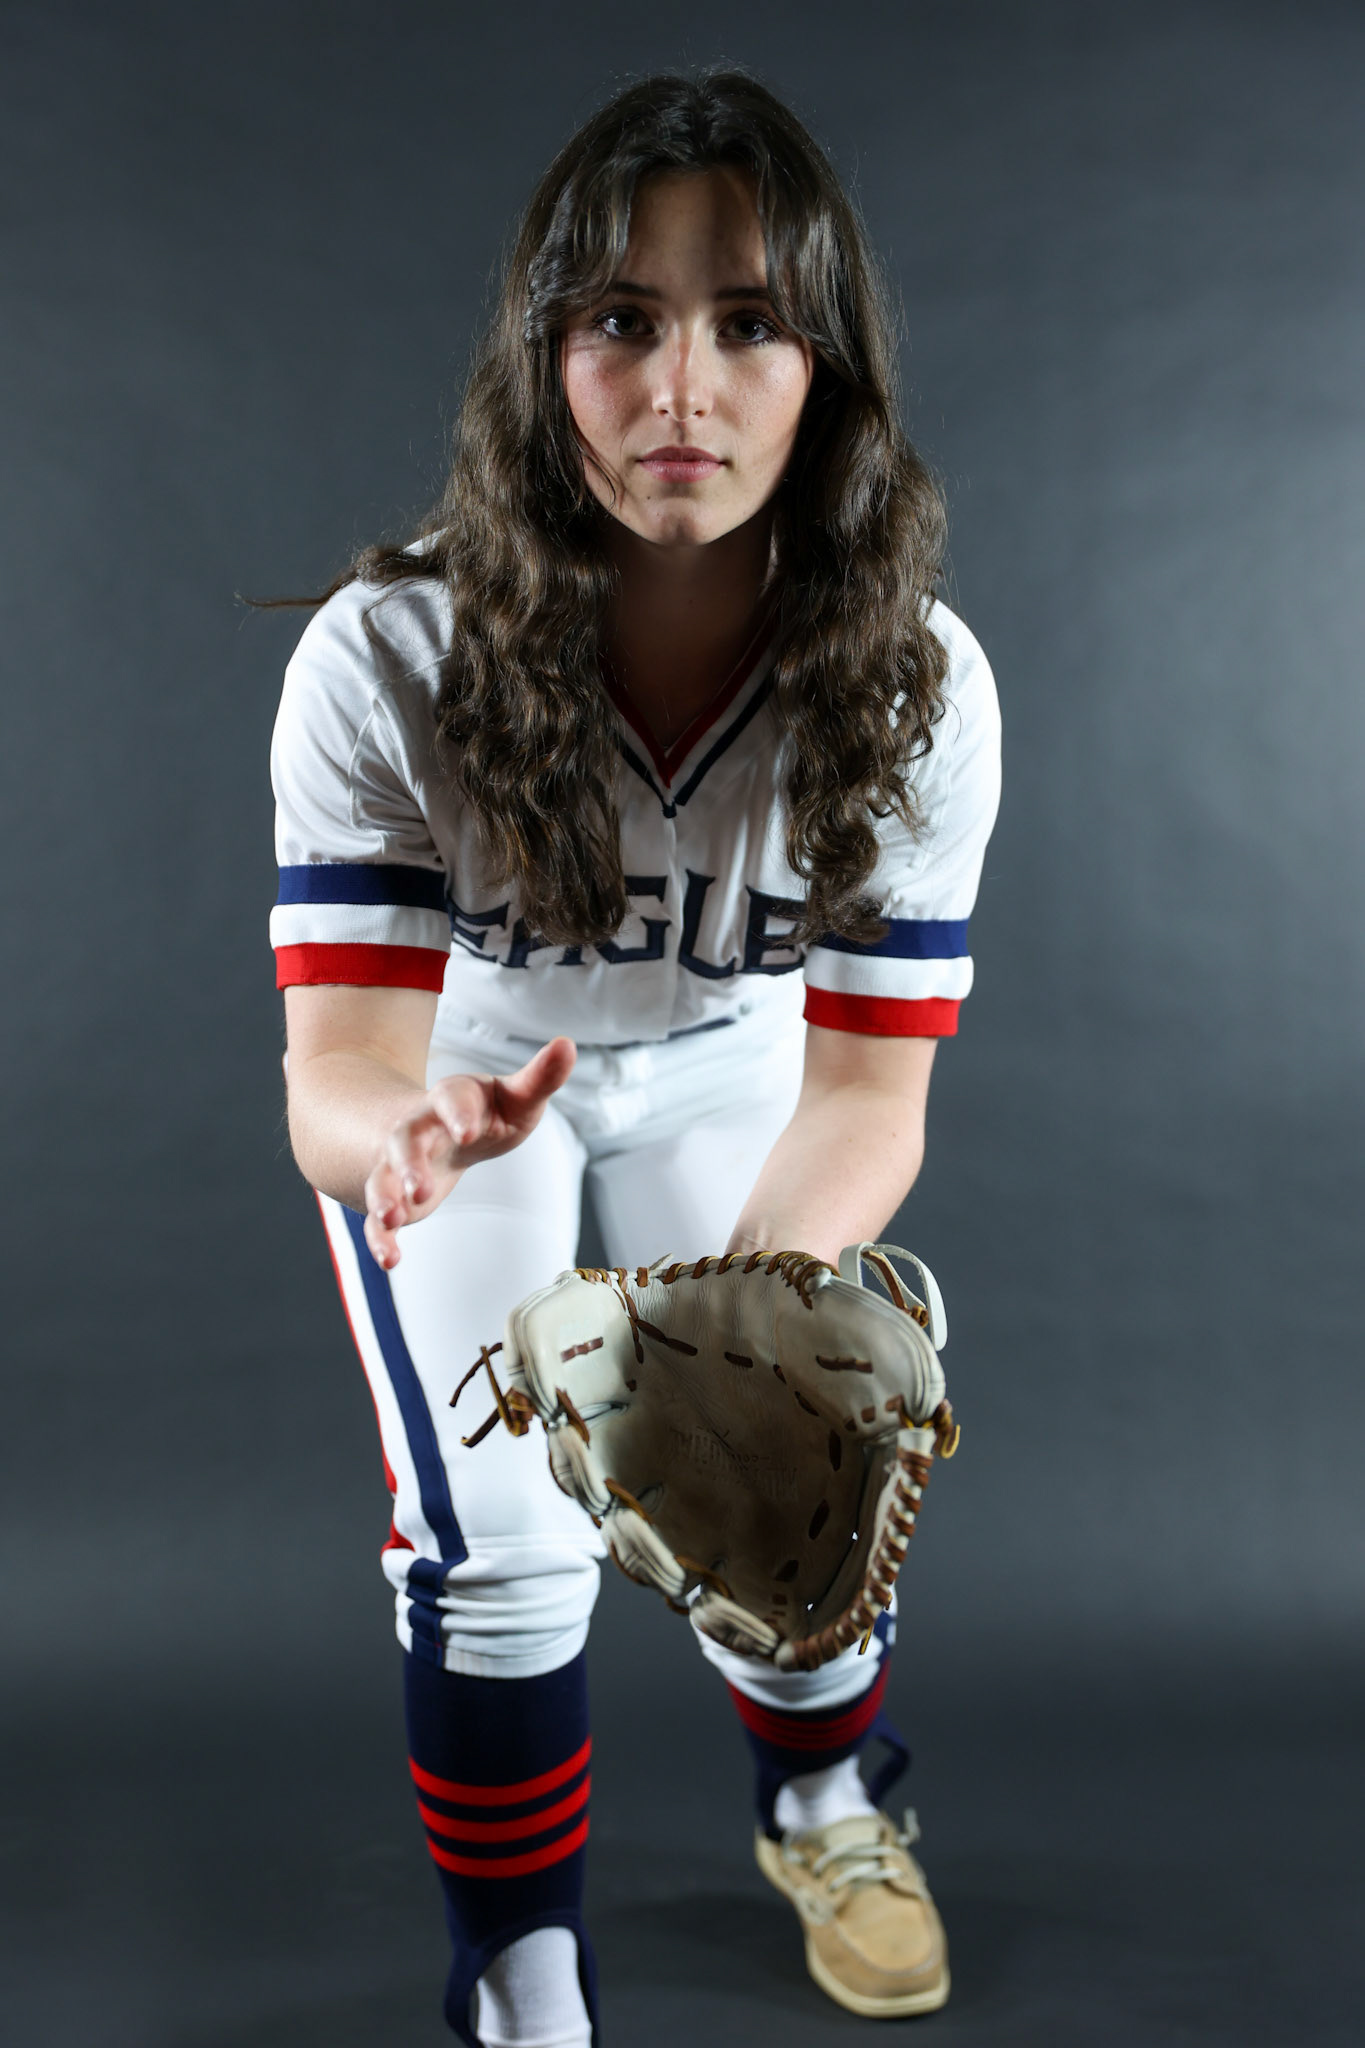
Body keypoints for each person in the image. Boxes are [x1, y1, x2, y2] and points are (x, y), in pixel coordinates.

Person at [270, 69, 999, 2048]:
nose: (682, 375)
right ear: (542, 360)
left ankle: (827, 1800)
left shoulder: (916, 682)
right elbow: (333, 1071)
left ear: (825, 371)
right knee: (496, 1557)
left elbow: (863, 1094)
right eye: (621, 318)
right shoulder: (387, 654)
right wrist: (399, 1137)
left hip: (727, 1067)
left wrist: (739, 1329)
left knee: (783, 1489)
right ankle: (518, 1972)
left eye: (747, 319)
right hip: (469, 1079)